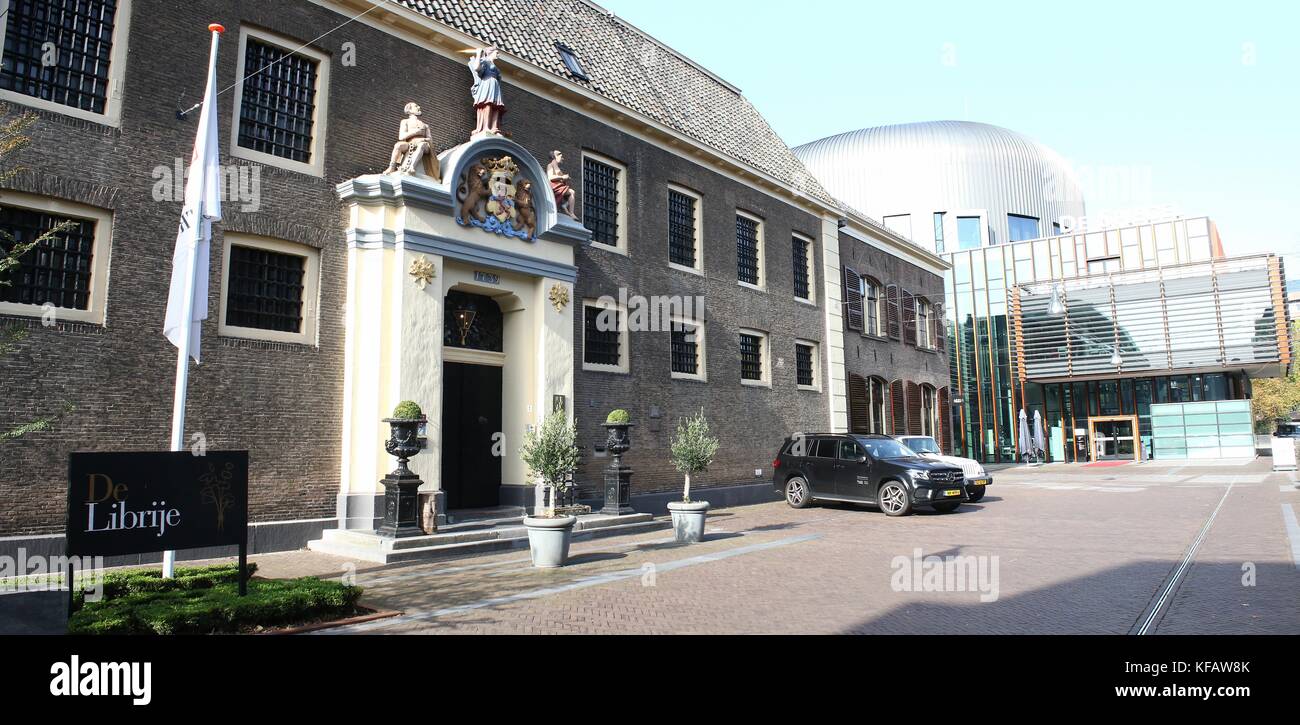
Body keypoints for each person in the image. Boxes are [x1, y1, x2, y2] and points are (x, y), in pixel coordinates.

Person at [383, 102, 438, 178]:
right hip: (410, 142)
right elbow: (401, 137)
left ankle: (412, 167)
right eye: (416, 106)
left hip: (424, 144)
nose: (418, 107)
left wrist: (423, 139)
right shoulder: (405, 122)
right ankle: (392, 167)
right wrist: (415, 132)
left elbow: (430, 139)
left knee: (422, 145)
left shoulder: (425, 125)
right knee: (398, 145)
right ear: (410, 110)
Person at [468, 47, 505, 135]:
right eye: (497, 52)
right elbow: (476, 68)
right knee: (488, 104)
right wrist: (478, 54)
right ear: (491, 52)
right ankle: (485, 127)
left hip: (495, 86)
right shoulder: (484, 61)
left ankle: (494, 128)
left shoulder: (493, 64)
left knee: (496, 106)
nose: (498, 54)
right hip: (487, 84)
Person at [547, 150, 575, 217]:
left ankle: (565, 205)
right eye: (561, 156)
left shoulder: (557, 167)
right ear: (555, 156)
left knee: (571, 192)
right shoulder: (550, 165)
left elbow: (560, 178)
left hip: (559, 187)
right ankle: (570, 212)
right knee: (572, 192)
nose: (563, 158)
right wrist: (562, 177)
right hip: (554, 187)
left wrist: (565, 178)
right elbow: (550, 177)